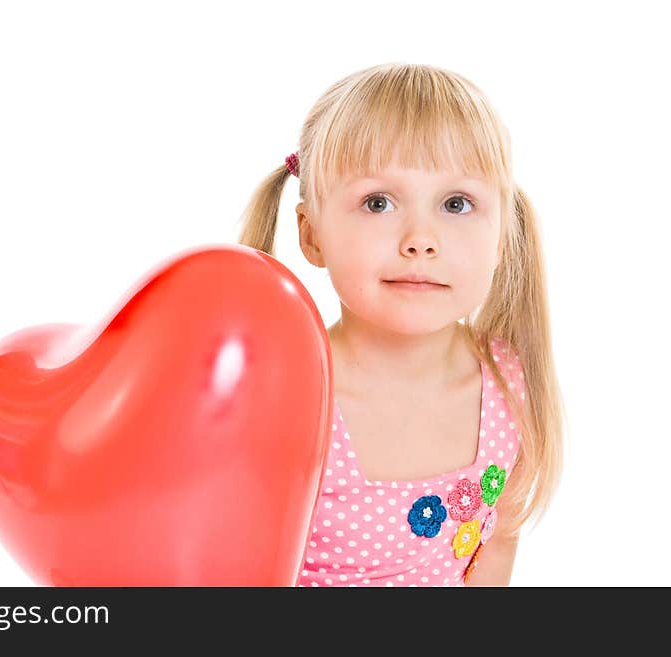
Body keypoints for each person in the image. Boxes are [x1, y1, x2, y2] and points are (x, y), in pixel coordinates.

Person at [236, 62, 566, 586]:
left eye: (456, 204)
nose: (420, 239)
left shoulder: (508, 385)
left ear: (503, 236)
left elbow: (495, 546)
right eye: (378, 202)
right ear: (311, 234)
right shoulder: (283, 396)